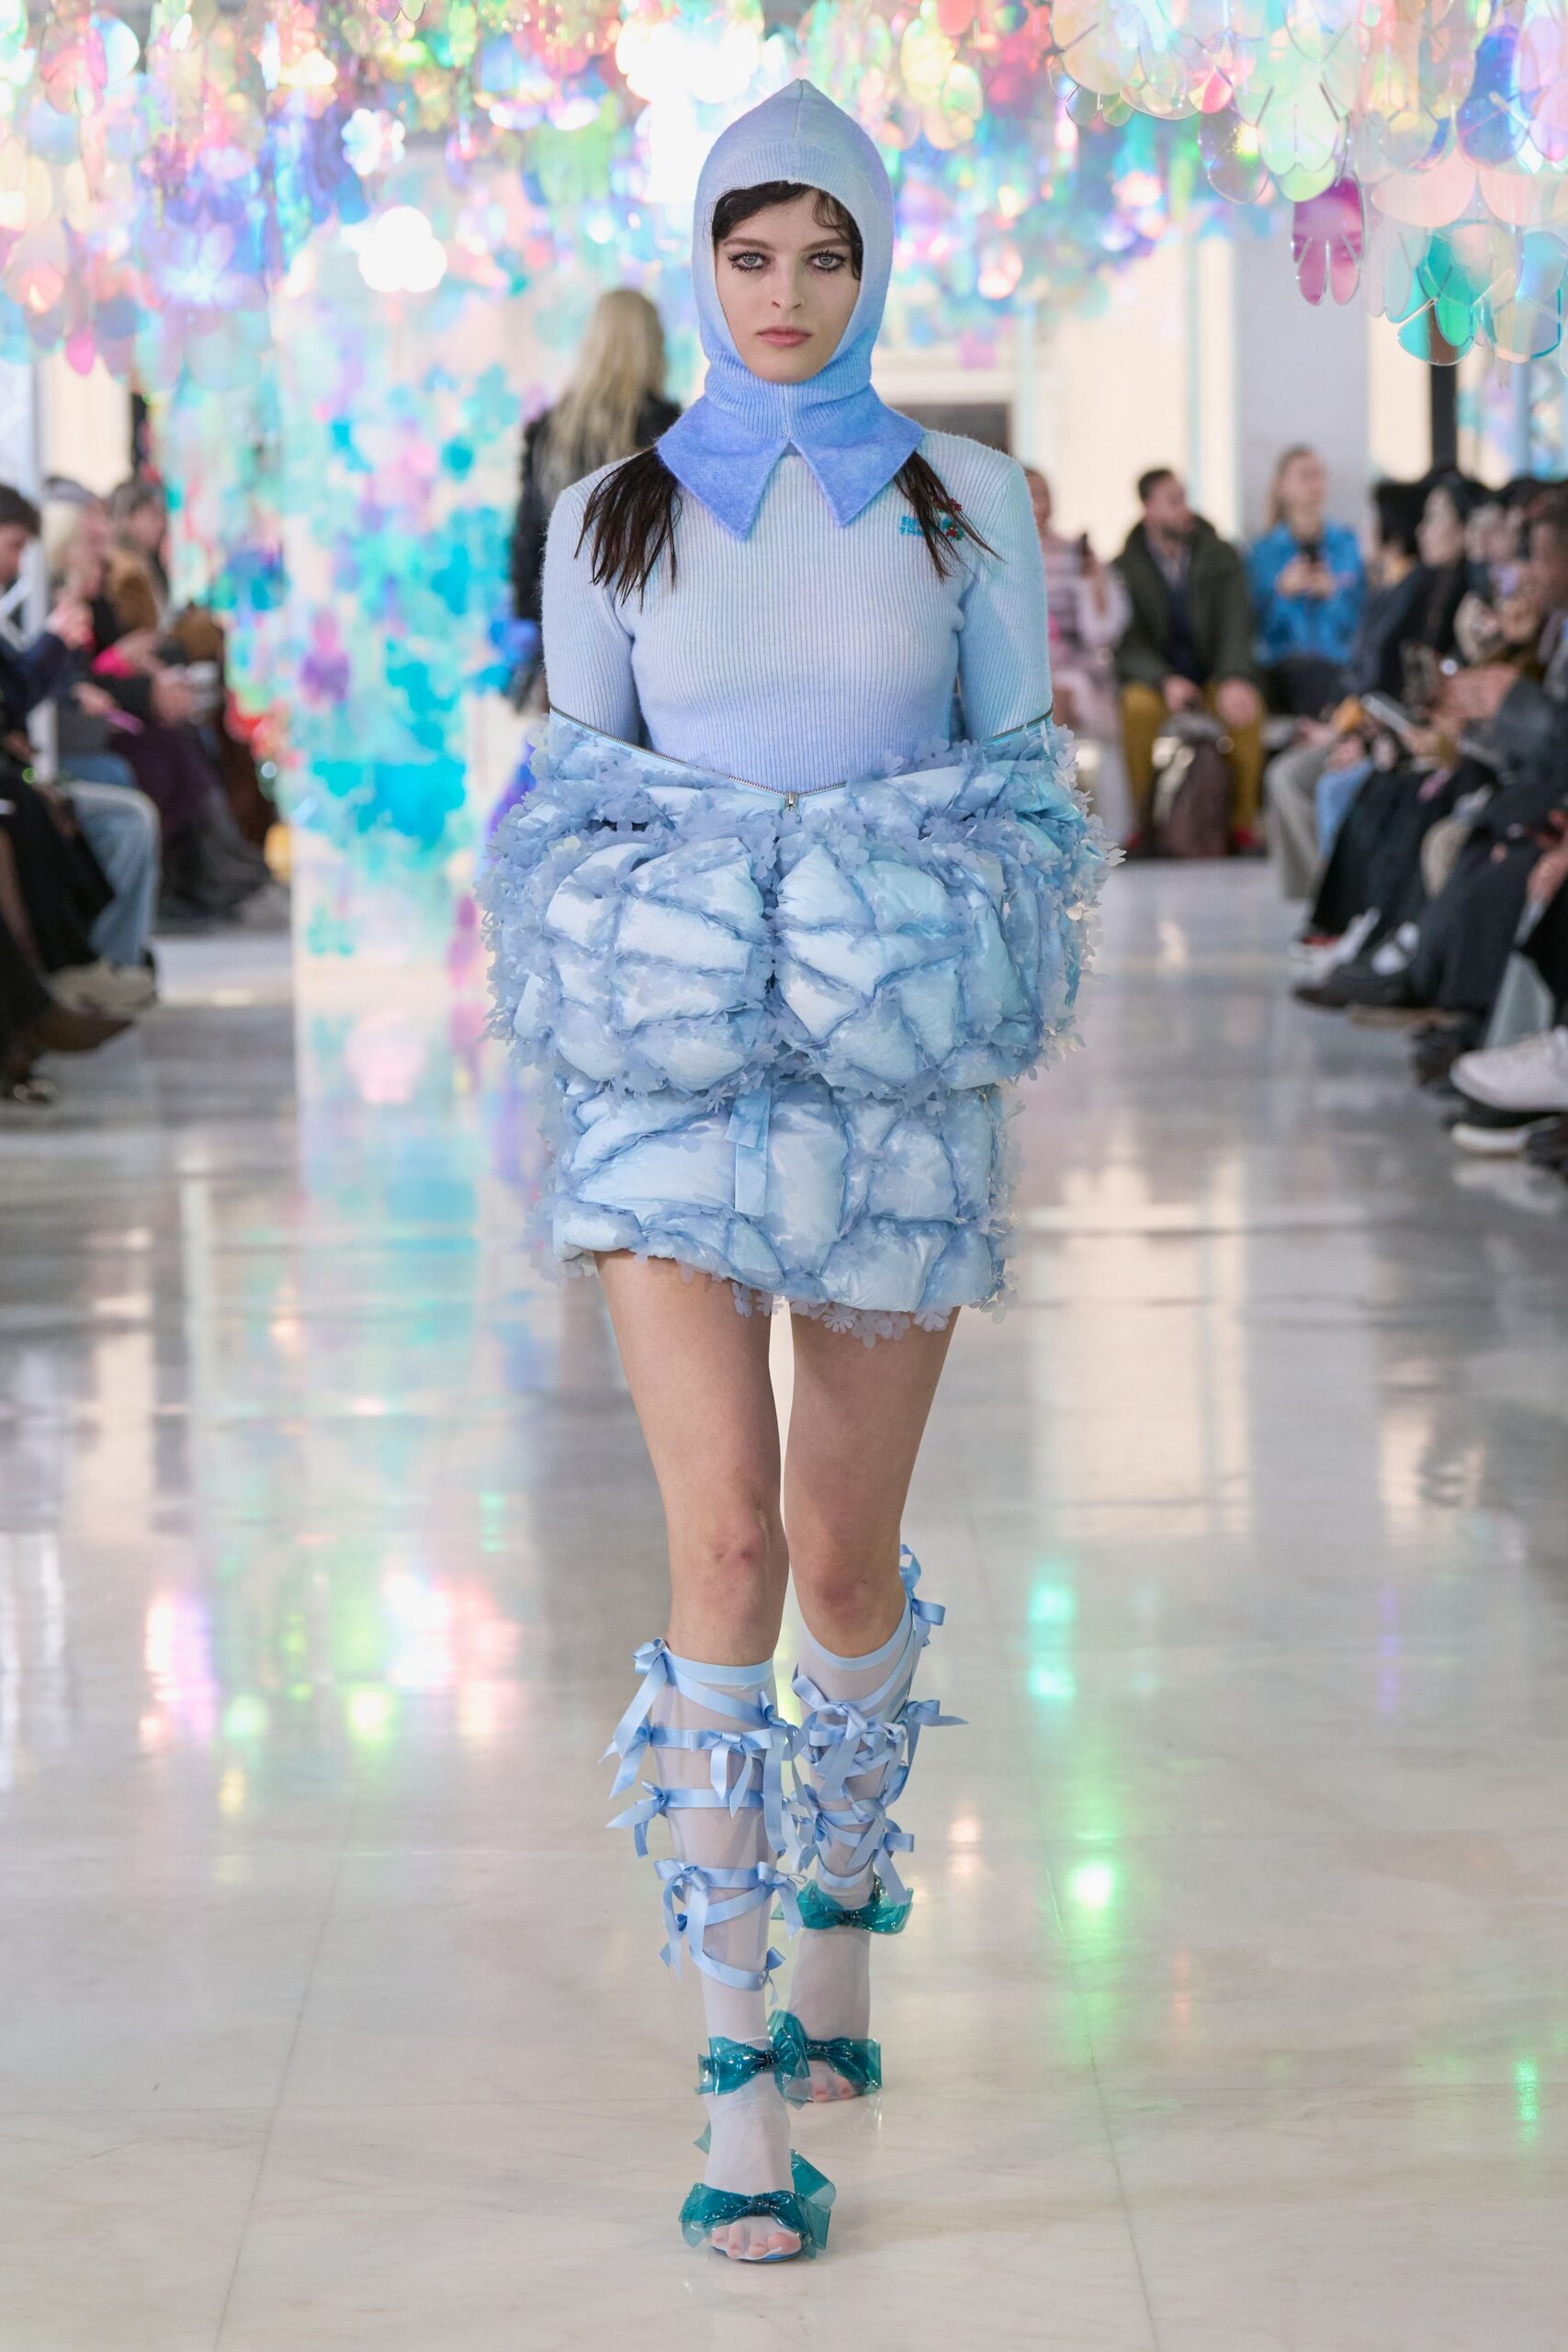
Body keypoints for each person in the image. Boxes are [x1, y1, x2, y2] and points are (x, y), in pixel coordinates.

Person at [482, 82, 1105, 2266]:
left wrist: (873, 917)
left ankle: (841, 1903)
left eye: (820, 253)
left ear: (871, 262)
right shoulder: (608, 517)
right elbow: (569, 806)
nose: (781, 293)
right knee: (725, 1541)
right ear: (702, 264)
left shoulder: (968, 500)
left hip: (888, 1073)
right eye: (746, 255)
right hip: (664, 1074)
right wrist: (693, 917)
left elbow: (1024, 794)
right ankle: (736, 2073)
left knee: (842, 1562)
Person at [508, 288, 681, 639]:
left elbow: (528, 544)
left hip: (561, 623)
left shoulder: (547, 431)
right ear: (652, 345)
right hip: (644, 625)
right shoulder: (669, 428)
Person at [1113, 466, 1266, 849]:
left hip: (1215, 673)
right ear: (1148, 509)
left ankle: (1242, 827)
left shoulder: (1220, 556)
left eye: (1184, 499)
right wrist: (1163, 680)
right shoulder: (1125, 568)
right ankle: (1144, 827)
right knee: (1135, 709)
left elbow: (1237, 622)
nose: (1184, 509)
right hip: (1159, 681)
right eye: (1173, 501)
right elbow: (1127, 641)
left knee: (1245, 707)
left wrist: (1234, 676)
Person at [1024, 465, 1132, 837]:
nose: (1037, 505)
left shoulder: (1074, 554)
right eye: (1028, 496)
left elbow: (1099, 632)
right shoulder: (998, 554)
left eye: (1042, 494)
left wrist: (1093, 582)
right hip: (1022, 668)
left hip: (1073, 666)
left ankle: (1060, 812)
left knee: (1060, 695)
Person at [1248, 444, 1363, 716]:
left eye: (1318, 475)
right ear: (1282, 486)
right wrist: (1283, 594)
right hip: (1281, 667)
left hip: (1337, 664)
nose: (1314, 484)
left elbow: (1363, 619)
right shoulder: (1262, 553)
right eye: (1304, 475)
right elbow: (1254, 629)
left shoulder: (1348, 546)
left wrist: (1332, 594)